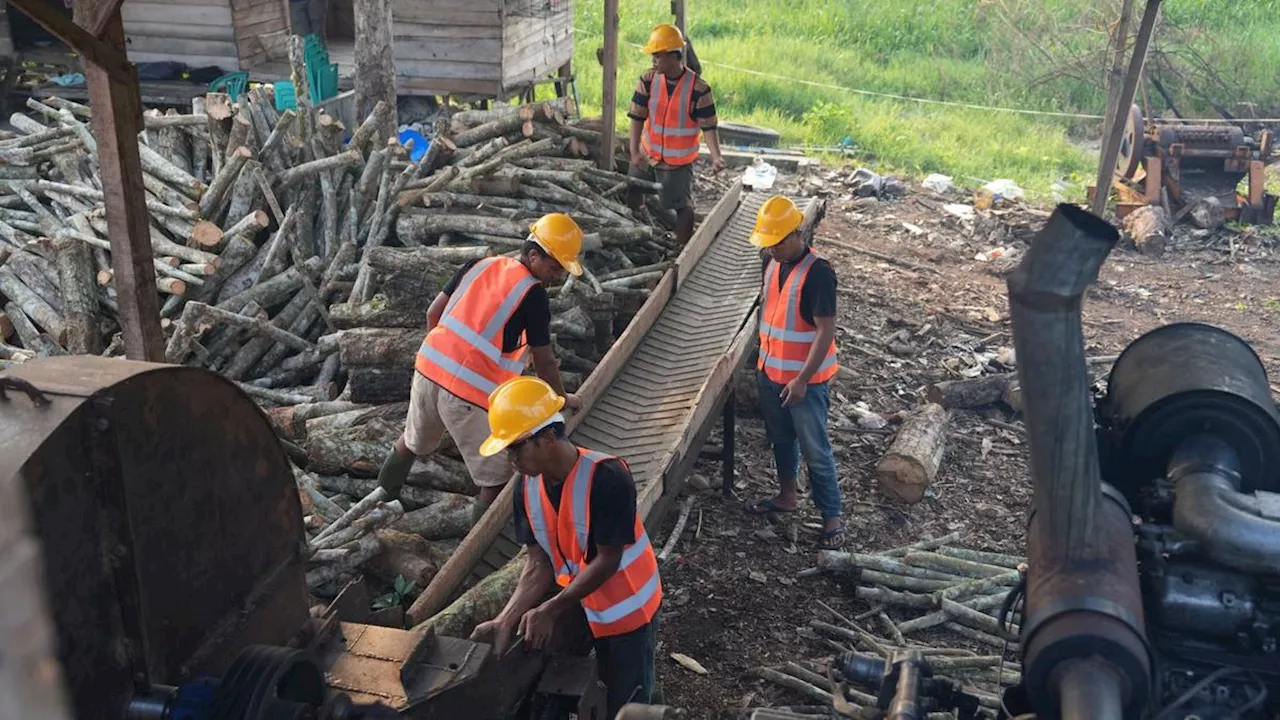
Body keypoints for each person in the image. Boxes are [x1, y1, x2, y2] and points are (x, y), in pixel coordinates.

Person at [375, 213, 587, 526]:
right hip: (469, 393)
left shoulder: (480, 265)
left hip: (428, 370)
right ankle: (474, 552)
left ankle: (377, 505)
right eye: (554, 267)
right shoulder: (533, 295)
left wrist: (442, 356)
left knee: (410, 441)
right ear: (532, 255)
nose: (555, 276)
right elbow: (543, 359)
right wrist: (561, 399)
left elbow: (434, 313)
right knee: (495, 478)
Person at [470, 376, 661, 719]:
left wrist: (551, 610)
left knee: (630, 702)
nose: (510, 459)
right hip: (581, 604)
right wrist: (506, 618)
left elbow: (608, 560)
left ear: (546, 437)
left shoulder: (608, 477)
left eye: (516, 447)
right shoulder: (526, 488)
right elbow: (537, 564)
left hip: (627, 610)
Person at [743, 196, 844, 549]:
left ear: (796, 234)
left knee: (816, 448)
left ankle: (832, 517)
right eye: (768, 244)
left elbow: (825, 331)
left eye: (778, 243)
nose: (772, 250)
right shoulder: (772, 265)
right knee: (781, 438)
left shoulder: (818, 273)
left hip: (805, 383)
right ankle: (788, 495)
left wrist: (802, 379)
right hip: (771, 373)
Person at [627, 22, 726, 246]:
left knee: (682, 207)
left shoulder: (699, 89)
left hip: (677, 162)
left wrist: (716, 156)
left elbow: (709, 126)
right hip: (647, 152)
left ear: (674, 56)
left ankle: (682, 249)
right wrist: (634, 151)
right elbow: (636, 116)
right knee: (633, 188)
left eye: (658, 56)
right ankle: (637, 232)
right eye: (653, 55)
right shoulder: (648, 80)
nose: (653, 60)